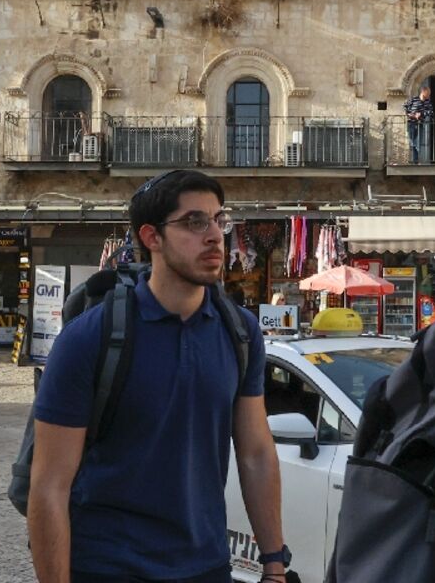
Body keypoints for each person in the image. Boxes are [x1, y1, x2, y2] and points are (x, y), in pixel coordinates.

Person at [28, 170, 288, 583]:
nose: (215, 235)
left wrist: (274, 561)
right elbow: (49, 486)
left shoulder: (240, 333)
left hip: (207, 566)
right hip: (108, 567)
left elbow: (255, 452)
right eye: (194, 222)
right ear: (152, 238)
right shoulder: (89, 339)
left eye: (219, 220)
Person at [405, 86, 433, 164]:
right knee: (413, 142)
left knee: (418, 142)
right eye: (428, 93)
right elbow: (405, 107)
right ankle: (414, 160)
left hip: (420, 123)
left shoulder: (428, 101)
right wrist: (412, 115)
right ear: (423, 92)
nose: (429, 95)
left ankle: (416, 161)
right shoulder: (414, 99)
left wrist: (421, 114)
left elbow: (431, 112)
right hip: (411, 123)